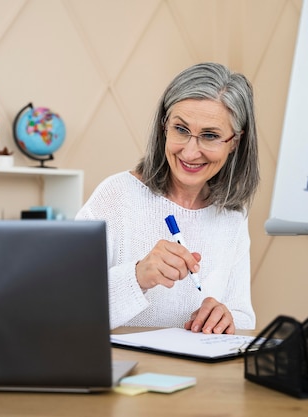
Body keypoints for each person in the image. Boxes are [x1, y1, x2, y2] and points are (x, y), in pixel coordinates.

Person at [76, 62, 260, 334]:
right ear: (164, 126)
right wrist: (136, 278)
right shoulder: (115, 196)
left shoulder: (232, 215)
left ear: (235, 142)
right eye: (181, 130)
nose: (190, 151)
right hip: (122, 372)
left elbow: (244, 318)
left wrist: (225, 317)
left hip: (196, 374)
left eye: (210, 135)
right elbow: (66, 306)